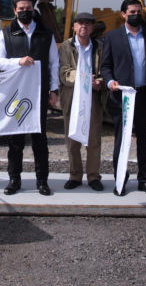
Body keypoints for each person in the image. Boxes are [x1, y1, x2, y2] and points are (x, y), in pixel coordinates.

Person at [0, 0, 59, 196]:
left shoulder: (46, 34)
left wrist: (54, 90)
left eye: (29, 8)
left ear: (33, 10)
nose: (25, 11)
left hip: (39, 93)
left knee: (39, 139)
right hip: (15, 93)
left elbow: (54, 63)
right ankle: (14, 180)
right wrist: (18, 61)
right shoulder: (6, 34)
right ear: (14, 11)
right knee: (15, 140)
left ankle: (42, 181)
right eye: (21, 8)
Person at [101, 0, 146, 197]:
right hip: (123, 98)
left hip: (145, 96)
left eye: (139, 11)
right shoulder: (112, 37)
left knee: (144, 141)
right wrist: (110, 81)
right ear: (123, 14)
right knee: (122, 140)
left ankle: (145, 180)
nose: (136, 14)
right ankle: (121, 179)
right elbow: (105, 66)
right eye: (132, 11)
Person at [58, 12, 106, 192]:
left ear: (93, 27)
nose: (84, 26)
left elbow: (105, 71)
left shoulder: (100, 47)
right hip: (72, 98)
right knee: (73, 141)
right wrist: (84, 79)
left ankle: (93, 176)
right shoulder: (65, 46)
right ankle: (75, 175)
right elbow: (64, 72)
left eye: (88, 23)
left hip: (93, 98)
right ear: (74, 27)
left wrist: (99, 82)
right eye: (80, 23)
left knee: (94, 139)